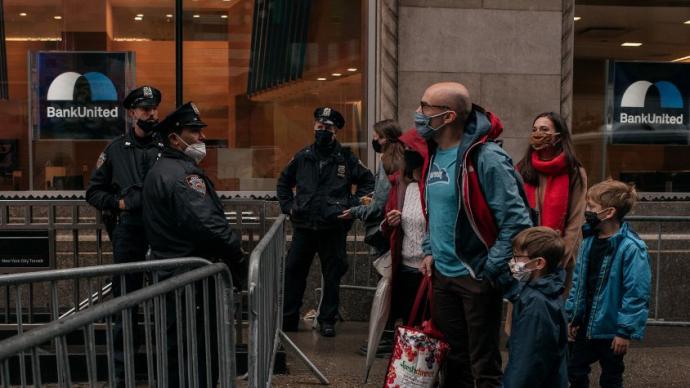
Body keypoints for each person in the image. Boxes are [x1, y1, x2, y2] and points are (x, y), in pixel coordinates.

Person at [415, 82, 532, 388]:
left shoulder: (487, 158)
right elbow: (434, 212)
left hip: (476, 277)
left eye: (426, 106)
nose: (419, 113)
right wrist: (430, 249)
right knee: (453, 360)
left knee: (484, 365)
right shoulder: (434, 153)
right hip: (442, 276)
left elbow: (516, 221)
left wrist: (488, 271)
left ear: (449, 116)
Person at [143, 102, 245, 387]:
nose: (201, 138)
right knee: (198, 350)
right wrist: (238, 255)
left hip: (175, 271)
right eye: (195, 132)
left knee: (180, 347)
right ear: (175, 138)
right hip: (190, 276)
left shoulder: (164, 168)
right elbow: (208, 226)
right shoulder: (183, 176)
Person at [85, 85, 163, 385]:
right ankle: (122, 373)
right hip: (128, 230)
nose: (152, 114)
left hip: (161, 230)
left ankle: (164, 371)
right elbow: (94, 191)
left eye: (154, 108)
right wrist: (118, 203)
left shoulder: (164, 147)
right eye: (145, 109)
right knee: (125, 303)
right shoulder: (115, 149)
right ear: (132, 113)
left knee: (166, 298)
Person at [276, 107, 375, 337]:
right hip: (304, 226)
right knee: (293, 272)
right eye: (319, 127)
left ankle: (327, 320)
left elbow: (368, 182)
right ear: (314, 128)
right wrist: (289, 207)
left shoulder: (347, 158)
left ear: (336, 131)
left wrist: (350, 205)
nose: (323, 131)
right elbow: (283, 183)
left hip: (333, 227)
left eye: (328, 128)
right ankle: (289, 318)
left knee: (332, 276)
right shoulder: (303, 156)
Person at [505, 112, 587, 335]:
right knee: (521, 322)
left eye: (544, 130)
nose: (538, 134)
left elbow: (575, 219)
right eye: (535, 129)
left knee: (550, 323)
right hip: (525, 256)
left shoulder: (574, 172)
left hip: (556, 258)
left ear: (558, 136)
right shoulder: (522, 168)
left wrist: (560, 256)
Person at [566, 179, 651, 388]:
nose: (587, 210)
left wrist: (624, 331)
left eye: (591, 207)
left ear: (609, 212)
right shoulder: (588, 241)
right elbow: (578, 282)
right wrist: (572, 316)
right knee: (574, 371)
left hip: (611, 329)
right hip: (585, 325)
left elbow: (636, 292)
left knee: (611, 377)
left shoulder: (632, 247)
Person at [503, 226, 568, 388]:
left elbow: (528, 361)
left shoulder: (536, 305)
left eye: (517, 256)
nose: (513, 262)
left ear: (539, 263)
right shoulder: (544, 291)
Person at [381, 129, 430, 324]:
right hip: (405, 268)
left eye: (412, 148)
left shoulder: (432, 188)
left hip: (429, 270)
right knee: (409, 325)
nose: (408, 152)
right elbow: (386, 226)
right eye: (406, 148)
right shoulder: (402, 187)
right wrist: (390, 222)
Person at [340, 119, 404, 256]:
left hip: (387, 231)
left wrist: (355, 211)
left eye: (376, 137)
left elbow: (378, 206)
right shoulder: (403, 157)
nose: (374, 140)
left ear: (384, 139)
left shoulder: (388, 163)